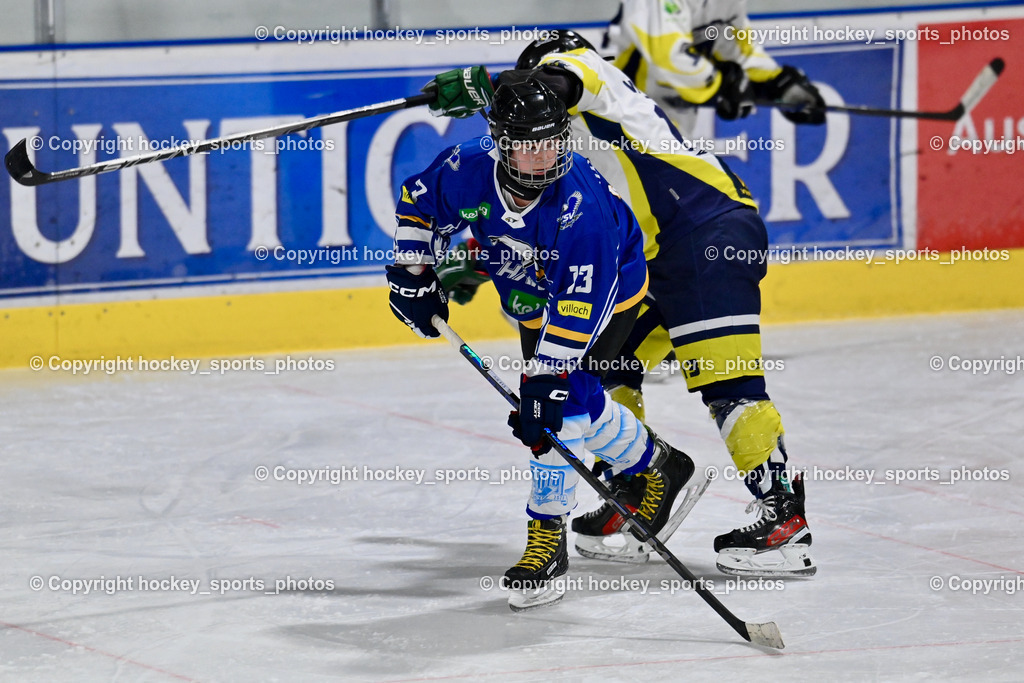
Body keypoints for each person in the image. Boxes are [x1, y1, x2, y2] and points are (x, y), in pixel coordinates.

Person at [422, 30, 816, 577]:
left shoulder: (584, 70)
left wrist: (489, 87)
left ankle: (783, 519)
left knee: (726, 381)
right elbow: (557, 232)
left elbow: (555, 83)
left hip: (706, 229)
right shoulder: (564, 150)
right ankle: (642, 488)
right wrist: (478, 258)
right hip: (652, 255)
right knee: (602, 368)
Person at [386, 76, 696, 611]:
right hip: (530, 288)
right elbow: (418, 203)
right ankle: (659, 464)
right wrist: (413, 272)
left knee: (556, 410)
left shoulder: (583, 208)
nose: (542, 155)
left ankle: (545, 536)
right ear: (501, 142)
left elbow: (579, 309)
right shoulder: (468, 167)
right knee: (568, 401)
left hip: (608, 293)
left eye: (552, 140)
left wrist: (545, 380)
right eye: (527, 144)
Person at [603, 0, 826, 136]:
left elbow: (738, 50)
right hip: (617, 120)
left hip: (670, 125)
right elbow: (668, 56)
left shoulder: (728, 2)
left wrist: (778, 84)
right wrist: (722, 87)